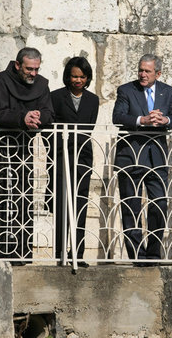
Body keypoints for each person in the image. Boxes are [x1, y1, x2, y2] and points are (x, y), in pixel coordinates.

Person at [0, 47, 54, 264]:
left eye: (36, 69)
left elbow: (49, 112)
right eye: (29, 69)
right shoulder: (0, 81)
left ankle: (19, 251)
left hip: (23, 150)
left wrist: (38, 116)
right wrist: (22, 117)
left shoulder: (42, 84)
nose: (33, 74)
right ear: (17, 65)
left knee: (21, 198)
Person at [112, 54, 172, 266]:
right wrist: (141, 120)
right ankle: (137, 257)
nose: (142, 74)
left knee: (159, 205)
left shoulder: (167, 91)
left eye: (147, 71)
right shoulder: (126, 90)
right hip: (130, 156)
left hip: (157, 158)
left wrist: (166, 120)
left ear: (158, 73)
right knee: (131, 208)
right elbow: (118, 116)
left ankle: (152, 255)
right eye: (140, 70)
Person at [49, 57, 99, 267]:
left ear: (87, 78)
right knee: (61, 202)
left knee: (80, 204)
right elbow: (50, 127)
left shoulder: (93, 99)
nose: (78, 80)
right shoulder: (55, 97)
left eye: (82, 76)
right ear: (68, 77)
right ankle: (60, 253)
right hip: (61, 155)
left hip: (83, 156)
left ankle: (77, 253)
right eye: (74, 76)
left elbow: (90, 127)